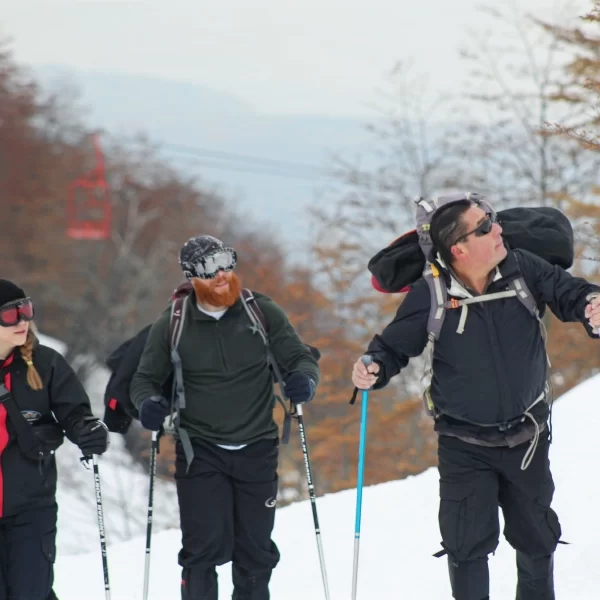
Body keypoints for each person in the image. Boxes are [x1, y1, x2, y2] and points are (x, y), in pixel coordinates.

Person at [351, 198, 600, 600]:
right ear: (459, 250)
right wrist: (373, 367)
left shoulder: (524, 269)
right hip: (463, 445)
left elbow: (571, 294)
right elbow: (392, 347)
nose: (498, 229)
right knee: (466, 548)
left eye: (494, 222)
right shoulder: (430, 292)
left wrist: (592, 305)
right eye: (484, 227)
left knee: (537, 539)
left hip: (528, 437)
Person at [130, 235, 320, 600]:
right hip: (199, 448)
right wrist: (148, 403)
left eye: (225, 262)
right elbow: (144, 379)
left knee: (255, 551)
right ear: (191, 276)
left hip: (257, 447)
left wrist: (304, 380)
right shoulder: (173, 322)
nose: (220, 273)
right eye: (207, 267)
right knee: (202, 551)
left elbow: (300, 358)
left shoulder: (260, 311)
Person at [0, 279, 109, 600]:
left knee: (31, 592)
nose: (23, 321)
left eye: (26, 310)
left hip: (31, 505)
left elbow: (74, 412)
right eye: (10, 315)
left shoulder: (45, 363)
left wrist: (88, 431)